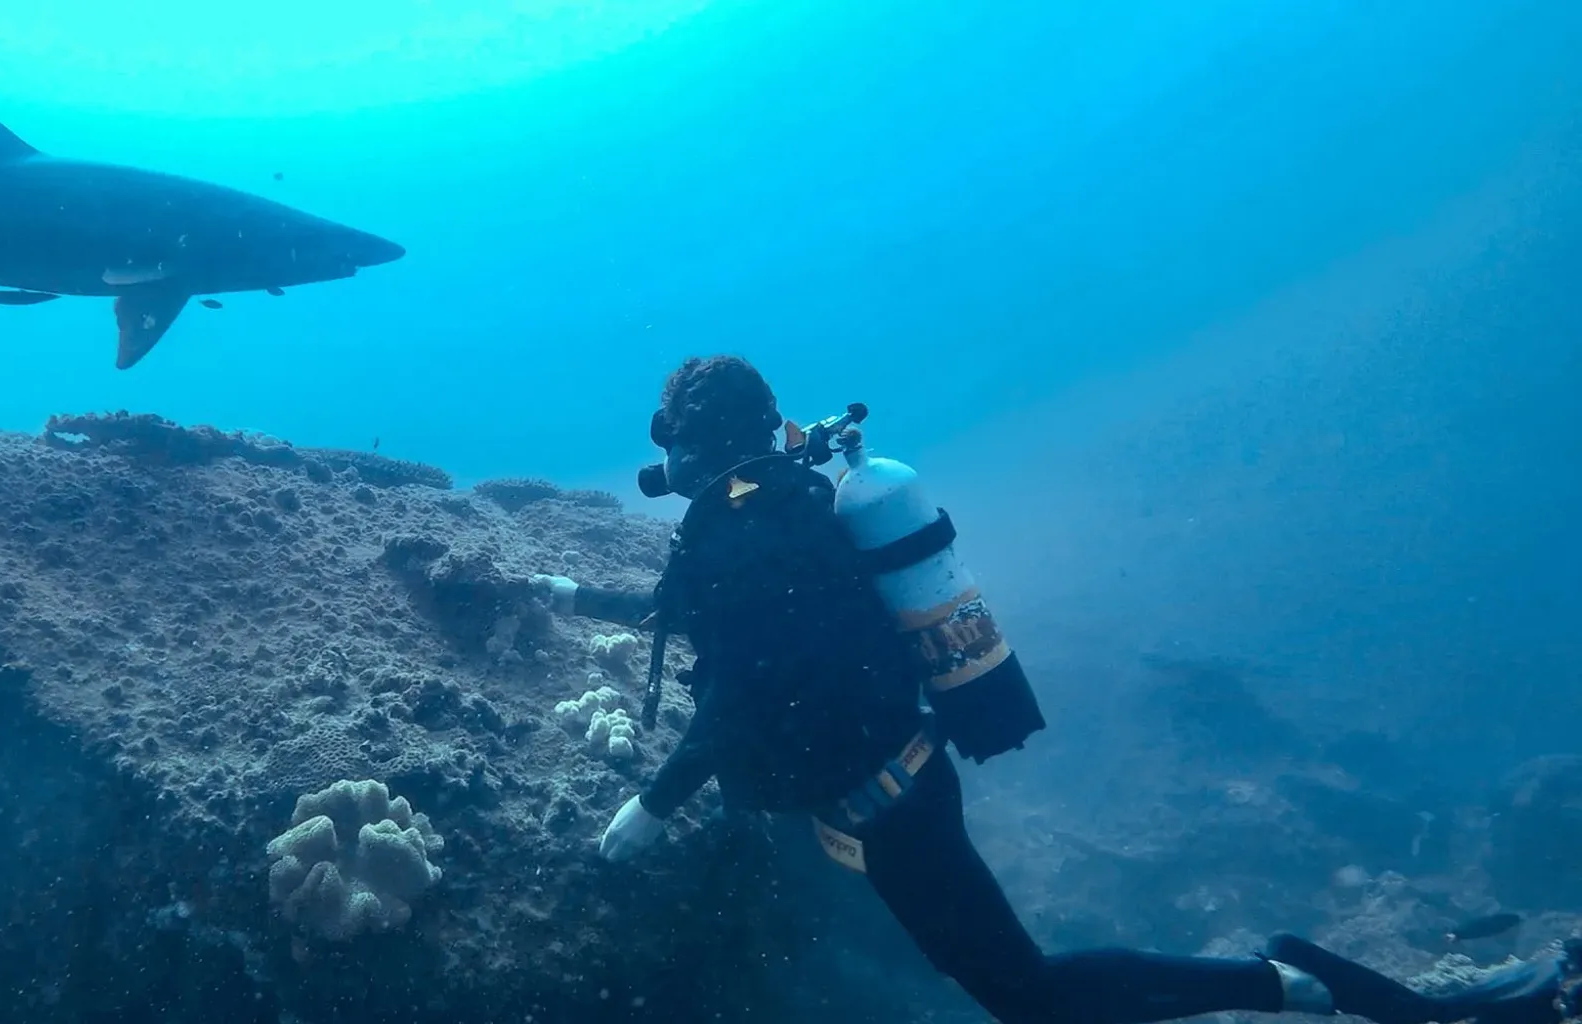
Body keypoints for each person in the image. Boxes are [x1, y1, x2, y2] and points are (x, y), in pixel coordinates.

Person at [528, 354, 1576, 1024]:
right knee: (1008, 981)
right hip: (902, 778)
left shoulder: (750, 527)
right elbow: (708, 622)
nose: (663, 469)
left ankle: (1280, 978)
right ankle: (1290, 981)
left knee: (1022, 991)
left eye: (670, 448)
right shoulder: (782, 513)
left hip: (888, 805)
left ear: (693, 443)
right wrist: (565, 594)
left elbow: (741, 686)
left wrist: (651, 804)